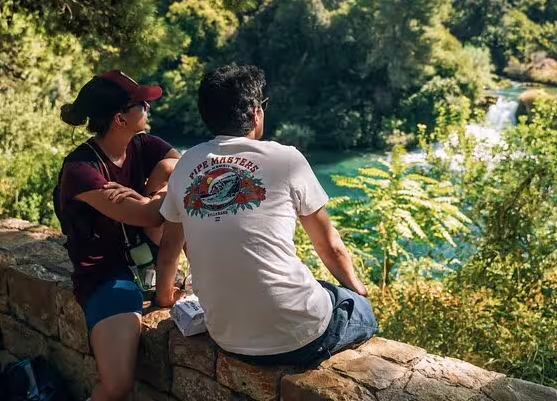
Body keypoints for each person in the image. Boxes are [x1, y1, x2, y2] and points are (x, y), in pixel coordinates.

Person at [155, 64, 377, 366]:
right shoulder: (286, 159)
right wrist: (358, 292)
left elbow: (169, 251)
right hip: (299, 337)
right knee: (360, 310)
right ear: (256, 112)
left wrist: (166, 299)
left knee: (322, 291)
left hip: (227, 337)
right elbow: (330, 246)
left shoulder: (185, 166)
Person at [56, 70, 181, 401]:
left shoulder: (142, 144)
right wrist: (153, 202)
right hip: (109, 276)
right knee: (117, 386)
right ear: (119, 118)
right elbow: (151, 215)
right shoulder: (81, 170)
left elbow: (179, 167)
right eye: (142, 104)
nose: (148, 109)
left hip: (151, 263)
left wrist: (150, 192)